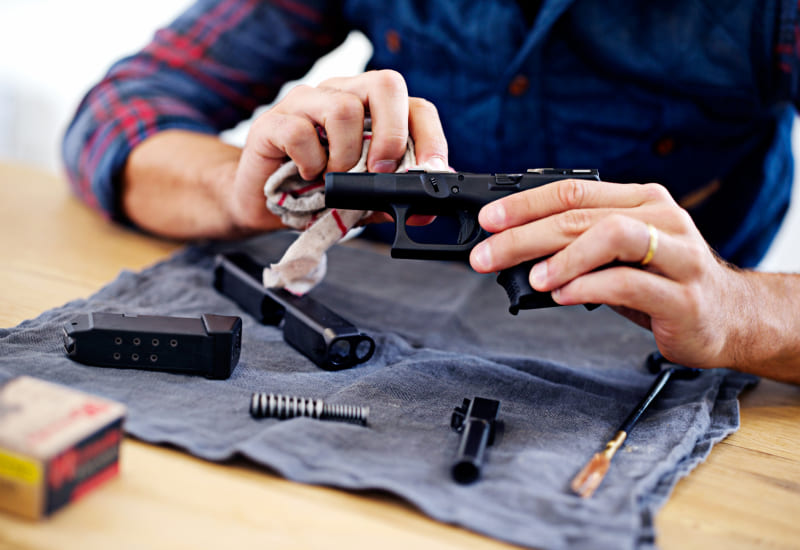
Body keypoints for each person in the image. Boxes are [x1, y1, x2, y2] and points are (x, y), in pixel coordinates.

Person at [63, 0, 800, 384]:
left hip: (649, 368)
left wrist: (741, 313)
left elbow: (743, 318)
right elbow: (118, 115)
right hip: (368, 314)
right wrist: (242, 189)